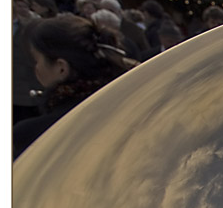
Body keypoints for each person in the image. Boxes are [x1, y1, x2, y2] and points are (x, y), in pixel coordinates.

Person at [13, 14, 138, 159]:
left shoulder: (31, 134)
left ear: (61, 68)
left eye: (37, 60)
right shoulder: (131, 109)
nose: (36, 68)